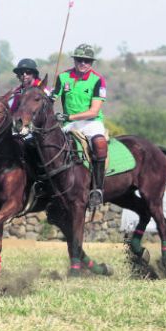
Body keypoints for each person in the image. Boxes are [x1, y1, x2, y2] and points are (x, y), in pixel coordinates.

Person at [52, 44, 108, 208]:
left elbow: (94, 110)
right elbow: (52, 98)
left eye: (87, 61)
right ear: (74, 60)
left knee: (99, 143)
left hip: (91, 123)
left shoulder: (98, 80)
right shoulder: (63, 77)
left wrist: (69, 116)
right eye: (79, 60)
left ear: (91, 62)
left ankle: (97, 189)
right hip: (69, 125)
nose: (83, 63)